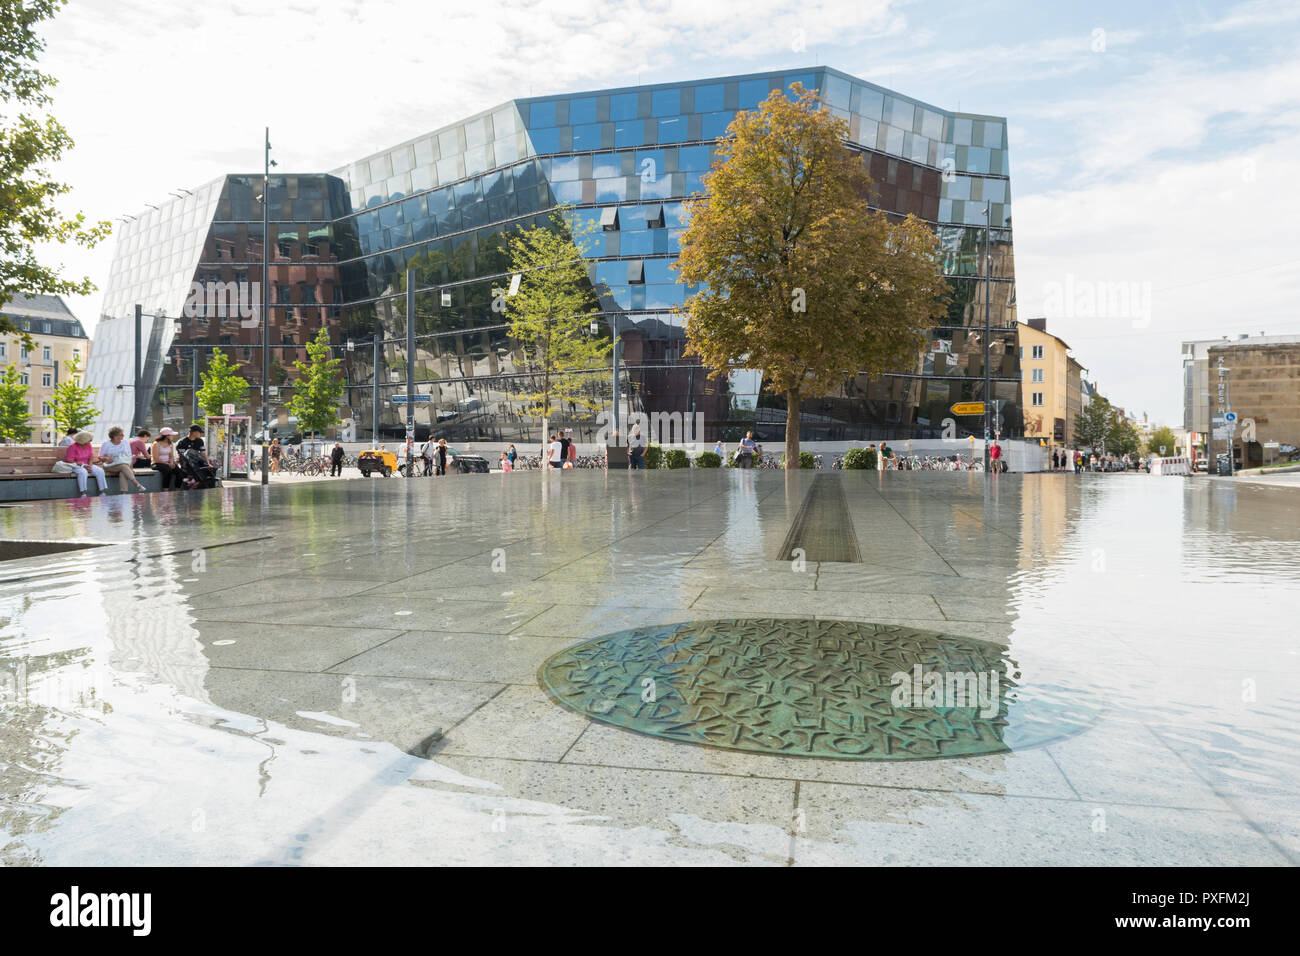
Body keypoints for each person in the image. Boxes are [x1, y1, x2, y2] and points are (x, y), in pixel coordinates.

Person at [52, 431, 108, 497]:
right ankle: (83, 494)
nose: (90, 442)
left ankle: (102, 493)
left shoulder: (88, 445)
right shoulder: (72, 447)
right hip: (76, 465)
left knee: (100, 471)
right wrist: (83, 466)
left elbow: (90, 457)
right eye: (89, 440)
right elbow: (69, 460)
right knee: (83, 472)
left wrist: (89, 466)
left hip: (86, 464)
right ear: (83, 440)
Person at [100, 427, 147, 494]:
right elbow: (100, 457)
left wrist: (131, 468)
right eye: (121, 435)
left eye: (123, 434)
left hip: (123, 464)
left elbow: (129, 456)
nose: (123, 436)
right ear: (114, 436)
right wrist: (106, 458)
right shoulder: (106, 444)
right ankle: (136, 484)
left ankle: (124, 493)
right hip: (109, 465)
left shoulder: (125, 442)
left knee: (123, 471)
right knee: (123, 467)